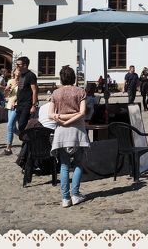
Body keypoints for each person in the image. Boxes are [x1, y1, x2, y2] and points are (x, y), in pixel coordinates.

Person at [49, 65, 90, 208]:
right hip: (77, 130)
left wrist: (61, 119)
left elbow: (50, 114)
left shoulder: (55, 93)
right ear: (73, 77)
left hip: (61, 131)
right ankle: (75, 194)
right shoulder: (80, 92)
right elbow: (82, 112)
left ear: (61, 78)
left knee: (64, 166)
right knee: (78, 163)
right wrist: (72, 118)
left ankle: (65, 198)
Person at [14, 57, 39, 135]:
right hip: (19, 104)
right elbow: (20, 89)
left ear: (25, 65)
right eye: (16, 64)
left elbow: (34, 90)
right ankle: (26, 142)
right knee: (20, 125)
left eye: (18, 64)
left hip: (27, 104)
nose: (16, 66)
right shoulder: (21, 74)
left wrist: (34, 105)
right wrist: (15, 100)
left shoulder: (31, 75)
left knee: (22, 124)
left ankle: (27, 141)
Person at [3, 66, 21, 155]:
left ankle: (8, 148)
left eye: (19, 70)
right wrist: (6, 90)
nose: (18, 71)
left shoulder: (23, 81)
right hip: (10, 104)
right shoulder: (10, 81)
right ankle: (25, 137)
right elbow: (6, 95)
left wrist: (16, 101)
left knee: (10, 125)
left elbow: (23, 94)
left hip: (17, 105)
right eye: (16, 70)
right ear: (13, 72)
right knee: (13, 128)